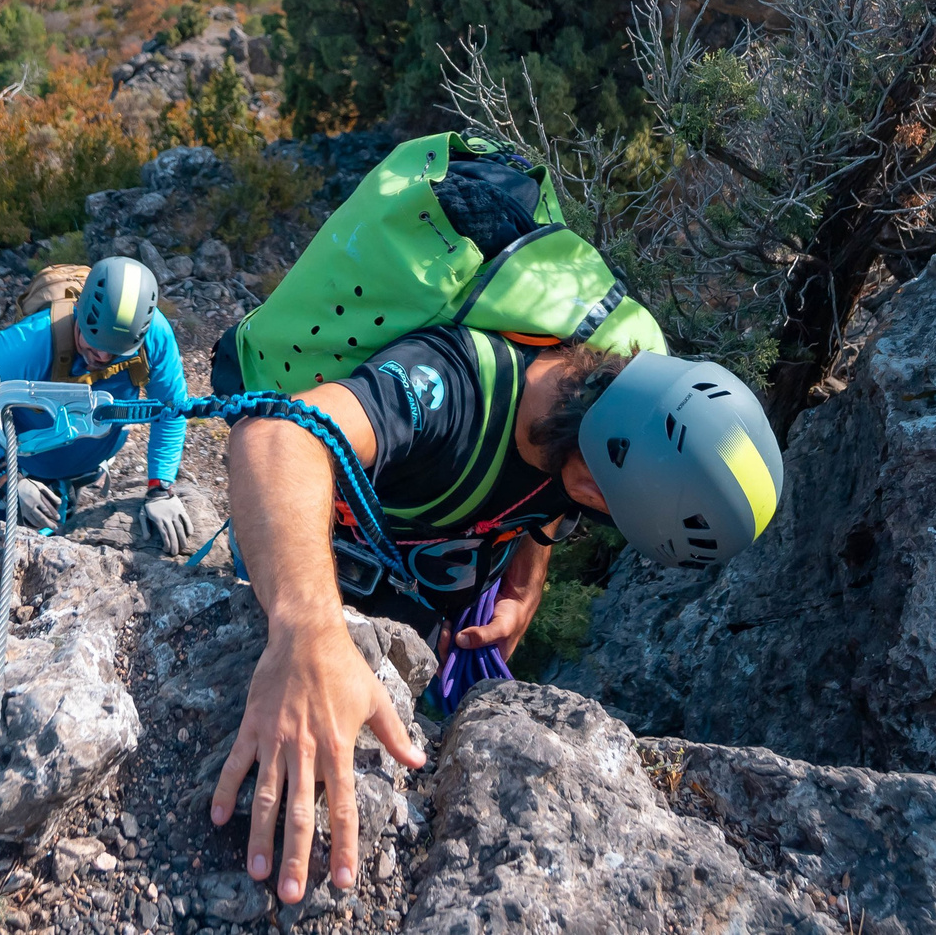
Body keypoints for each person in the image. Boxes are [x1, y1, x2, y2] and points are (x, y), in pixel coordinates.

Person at [212, 329, 781, 905]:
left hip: (422, 599)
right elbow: (277, 434)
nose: (595, 505)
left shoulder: (599, 429)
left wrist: (525, 583)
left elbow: (551, 502)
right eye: (606, 495)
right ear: (604, 464)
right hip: (306, 561)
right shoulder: (448, 385)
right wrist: (307, 633)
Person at [0, 256, 197, 555]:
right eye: (91, 344)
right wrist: (9, 479)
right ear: (79, 311)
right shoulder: (27, 346)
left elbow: (170, 410)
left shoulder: (154, 335)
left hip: (86, 467)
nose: (101, 358)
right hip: (20, 475)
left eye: (115, 353)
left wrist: (160, 487)